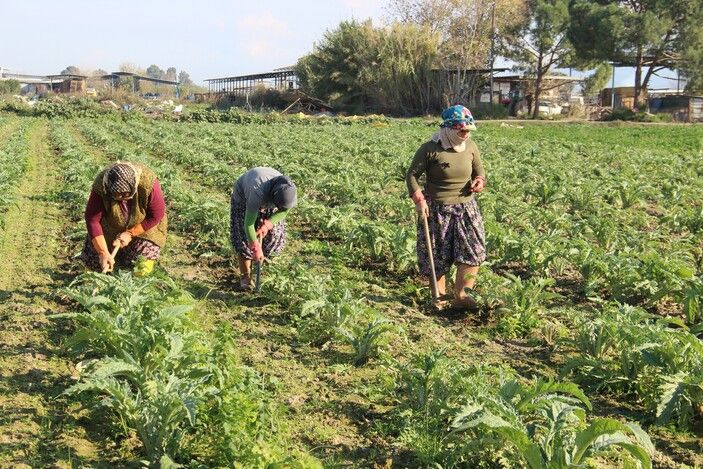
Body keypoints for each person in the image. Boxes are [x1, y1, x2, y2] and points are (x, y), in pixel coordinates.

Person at [405, 104, 487, 310]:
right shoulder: (430, 149)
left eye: (468, 130)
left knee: (473, 252)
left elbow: (480, 172)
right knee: (438, 255)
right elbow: (412, 175)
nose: (466, 134)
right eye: (462, 130)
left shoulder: (470, 147)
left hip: (467, 209)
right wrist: (419, 199)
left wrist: (479, 181)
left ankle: (461, 295)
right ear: (450, 129)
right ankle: (439, 298)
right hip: (438, 210)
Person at [81, 161, 167, 276]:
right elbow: (92, 219)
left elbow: (155, 215)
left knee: (142, 263)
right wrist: (103, 253)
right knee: (95, 260)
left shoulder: (148, 183)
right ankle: (92, 278)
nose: (120, 199)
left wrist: (130, 233)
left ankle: (136, 282)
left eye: (124, 195)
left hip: (144, 225)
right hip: (110, 225)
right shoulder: (101, 185)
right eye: (115, 195)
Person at [230, 167, 297, 290]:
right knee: (244, 238)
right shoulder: (256, 189)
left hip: (269, 198)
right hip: (244, 198)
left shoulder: (289, 190)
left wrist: (268, 225)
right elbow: (248, 224)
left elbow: (284, 211)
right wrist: (255, 247)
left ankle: (261, 268)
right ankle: (246, 276)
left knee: (273, 236)